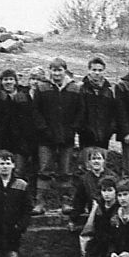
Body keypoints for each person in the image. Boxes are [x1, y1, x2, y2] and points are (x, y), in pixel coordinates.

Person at [32, 57, 82, 214]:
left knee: (65, 171)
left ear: (65, 71)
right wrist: (44, 129)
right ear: (50, 71)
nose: (57, 73)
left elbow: (80, 112)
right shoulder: (42, 88)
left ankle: (66, 202)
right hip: (46, 138)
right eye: (54, 70)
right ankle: (40, 202)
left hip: (66, 137)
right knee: (44, 169)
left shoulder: (75, 88)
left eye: (59, 70)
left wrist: (72, 129)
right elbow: (36, 111)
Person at [0, 68, 35, 181]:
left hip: (21, 141)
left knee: (18, 172)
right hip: (2, 141)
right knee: (0, 173)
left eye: (11, 79)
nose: (8, 82)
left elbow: (29, 119)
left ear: (16, 81)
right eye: (5, 79)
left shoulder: (24, 96)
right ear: (1, 82)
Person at [78, 55, 127, 151]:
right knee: (86, 161)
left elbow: (113, 113)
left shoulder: (108, 91)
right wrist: (82, 129)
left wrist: (110, 131)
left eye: (100, 70)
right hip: (86, 135)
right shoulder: (82, 89)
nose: (97, 73)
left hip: (104, 135)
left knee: (101, 161)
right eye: (94, 70)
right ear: (89, 70)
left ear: (104, 71)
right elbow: (79, 112)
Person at [67, 147, 109, 228]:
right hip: (94, 212)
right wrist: (73, 219)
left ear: (103, 161)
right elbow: (79, 201)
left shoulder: (111, 177)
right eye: (93, 159)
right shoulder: (84, 179)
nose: (96, 161)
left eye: (99, 158)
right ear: (89, 162)